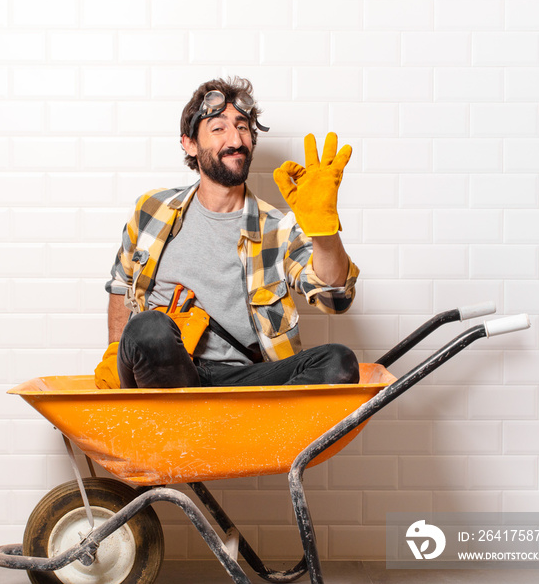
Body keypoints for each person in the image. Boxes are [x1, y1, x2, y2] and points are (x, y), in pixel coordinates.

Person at [95, 76, 360, 390]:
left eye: (243, 127)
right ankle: (190, 424)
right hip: (163, 376)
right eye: (218, 128)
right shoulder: (152, 210)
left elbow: (334, 299)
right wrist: (115, 353)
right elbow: (121, 285)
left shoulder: (279, 229)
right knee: (148, 328)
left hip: (241, 381)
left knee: (338, 361)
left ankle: (233, 426)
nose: (235, 140)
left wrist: (323, 230)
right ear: (189, 143)